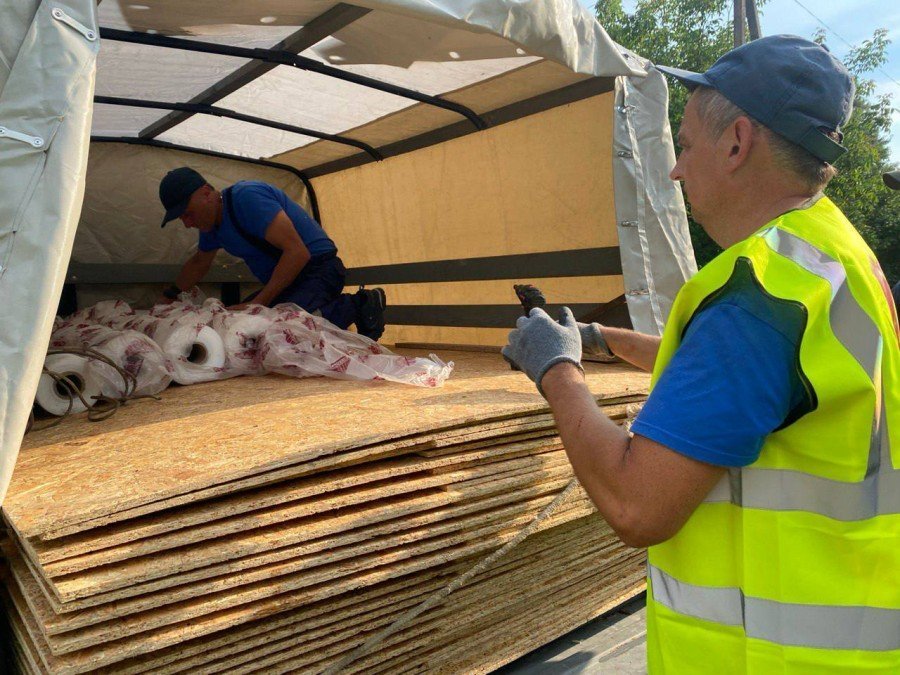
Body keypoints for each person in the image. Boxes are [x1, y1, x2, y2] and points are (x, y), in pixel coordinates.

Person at [502, 35, 899, 672]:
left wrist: (556, 369)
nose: (676, 171)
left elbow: (636, 505)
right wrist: (601, 340)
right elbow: (754, 384)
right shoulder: (832, 256)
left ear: (737, 143)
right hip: (851, 629)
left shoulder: (758, 295)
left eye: (684, 147)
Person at [158, 168, 386, 340]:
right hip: (288, 283)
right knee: (236, 324)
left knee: (283, 327)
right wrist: (168, 297)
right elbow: (199, 262)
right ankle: (322, 310)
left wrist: (259, 303)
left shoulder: (247, 198)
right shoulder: (211, 226)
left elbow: (297, 253)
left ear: (206, 194)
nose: (187, 223)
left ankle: (359, 304)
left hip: (319, 269)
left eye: (188, 214)